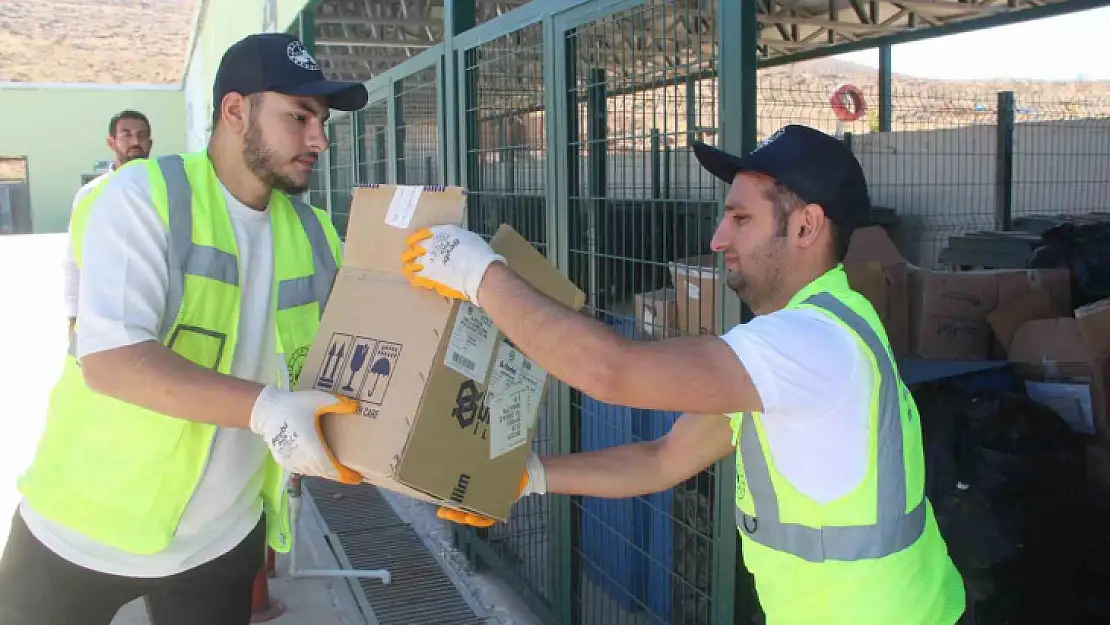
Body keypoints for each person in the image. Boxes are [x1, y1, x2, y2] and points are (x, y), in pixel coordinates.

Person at [400, 124, 970, 625]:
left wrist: (480, 276)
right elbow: (663, 459)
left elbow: (610, 370)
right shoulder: (814, 335)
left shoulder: (810, 345)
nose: (718, 239)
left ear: (806, 227)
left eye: (740, 218)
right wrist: (527, 475)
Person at [0, 33, 369, 625]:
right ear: (234, 111)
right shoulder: (144, 198)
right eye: (298, 116)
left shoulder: (316, 234)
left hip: (220, 545)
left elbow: (359, 353)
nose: (318, 139)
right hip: (81, 534)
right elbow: (112, 359)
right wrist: (268, 408)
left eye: (321, 121)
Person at [65, 110, 154, 330]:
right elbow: (74, 260)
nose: (135, 141)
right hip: (105, 313)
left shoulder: (167, 190)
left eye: (141, 136)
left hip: (153, 309)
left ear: (150, 143)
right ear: (111, 142)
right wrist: (73, 315)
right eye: (126, 135)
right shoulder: (90, 195)